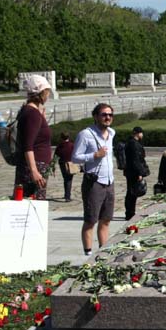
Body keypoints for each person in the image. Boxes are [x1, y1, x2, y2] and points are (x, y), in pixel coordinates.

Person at [72, 103, 116, 255]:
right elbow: (75, 157)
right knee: (91, 220)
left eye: (110, 115)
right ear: (96, 116)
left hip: (109, 182)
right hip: (94, 182)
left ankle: (104, 254)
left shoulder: (111, 133)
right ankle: (88, 254)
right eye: (104, 114)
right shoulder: (86, 134)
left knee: (106, 219)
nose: (107, 117)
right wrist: (94, 155)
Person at [15, 74, 53, 199]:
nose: (48, 95)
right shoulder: (32, 114)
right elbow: (28, 146)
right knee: (33, 206)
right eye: (47, 92)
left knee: (33, 205)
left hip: (36, 165)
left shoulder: (31, 112)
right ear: (41, 93)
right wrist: (34, 171)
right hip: (34, 166)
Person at [122, 126, 149, 221]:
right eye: (141, 133)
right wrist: (139, 173)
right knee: (132, 193)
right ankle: (130, 213)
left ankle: (130, 212)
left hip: (130, 171)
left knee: (132, 193)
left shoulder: (132, 143)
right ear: (137, 133)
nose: (142, 135)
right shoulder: (133, 144)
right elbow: (135, 160)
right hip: (133, 172)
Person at [55, 132, 75, 202]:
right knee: (69, 180)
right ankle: (67, 196)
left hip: (62, 163)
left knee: (65, 179)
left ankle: (66, 194)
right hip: (70, 163)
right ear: (68, 137)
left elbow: (56, 154)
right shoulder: (72, 145)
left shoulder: (60, 146)